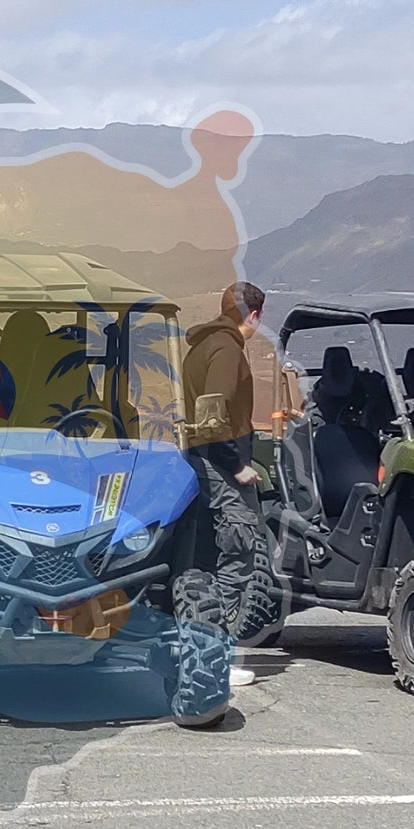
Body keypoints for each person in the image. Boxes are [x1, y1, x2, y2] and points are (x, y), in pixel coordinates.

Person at [182, 281, 265, 687]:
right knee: (236, 555)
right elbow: (215, 412)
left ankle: (197, 648)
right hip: (220, 466)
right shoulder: (228, 350)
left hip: (198, 461)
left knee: (205, 560)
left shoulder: (200, 346)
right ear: (254, 315)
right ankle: (219, 656)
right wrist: (238, 467)